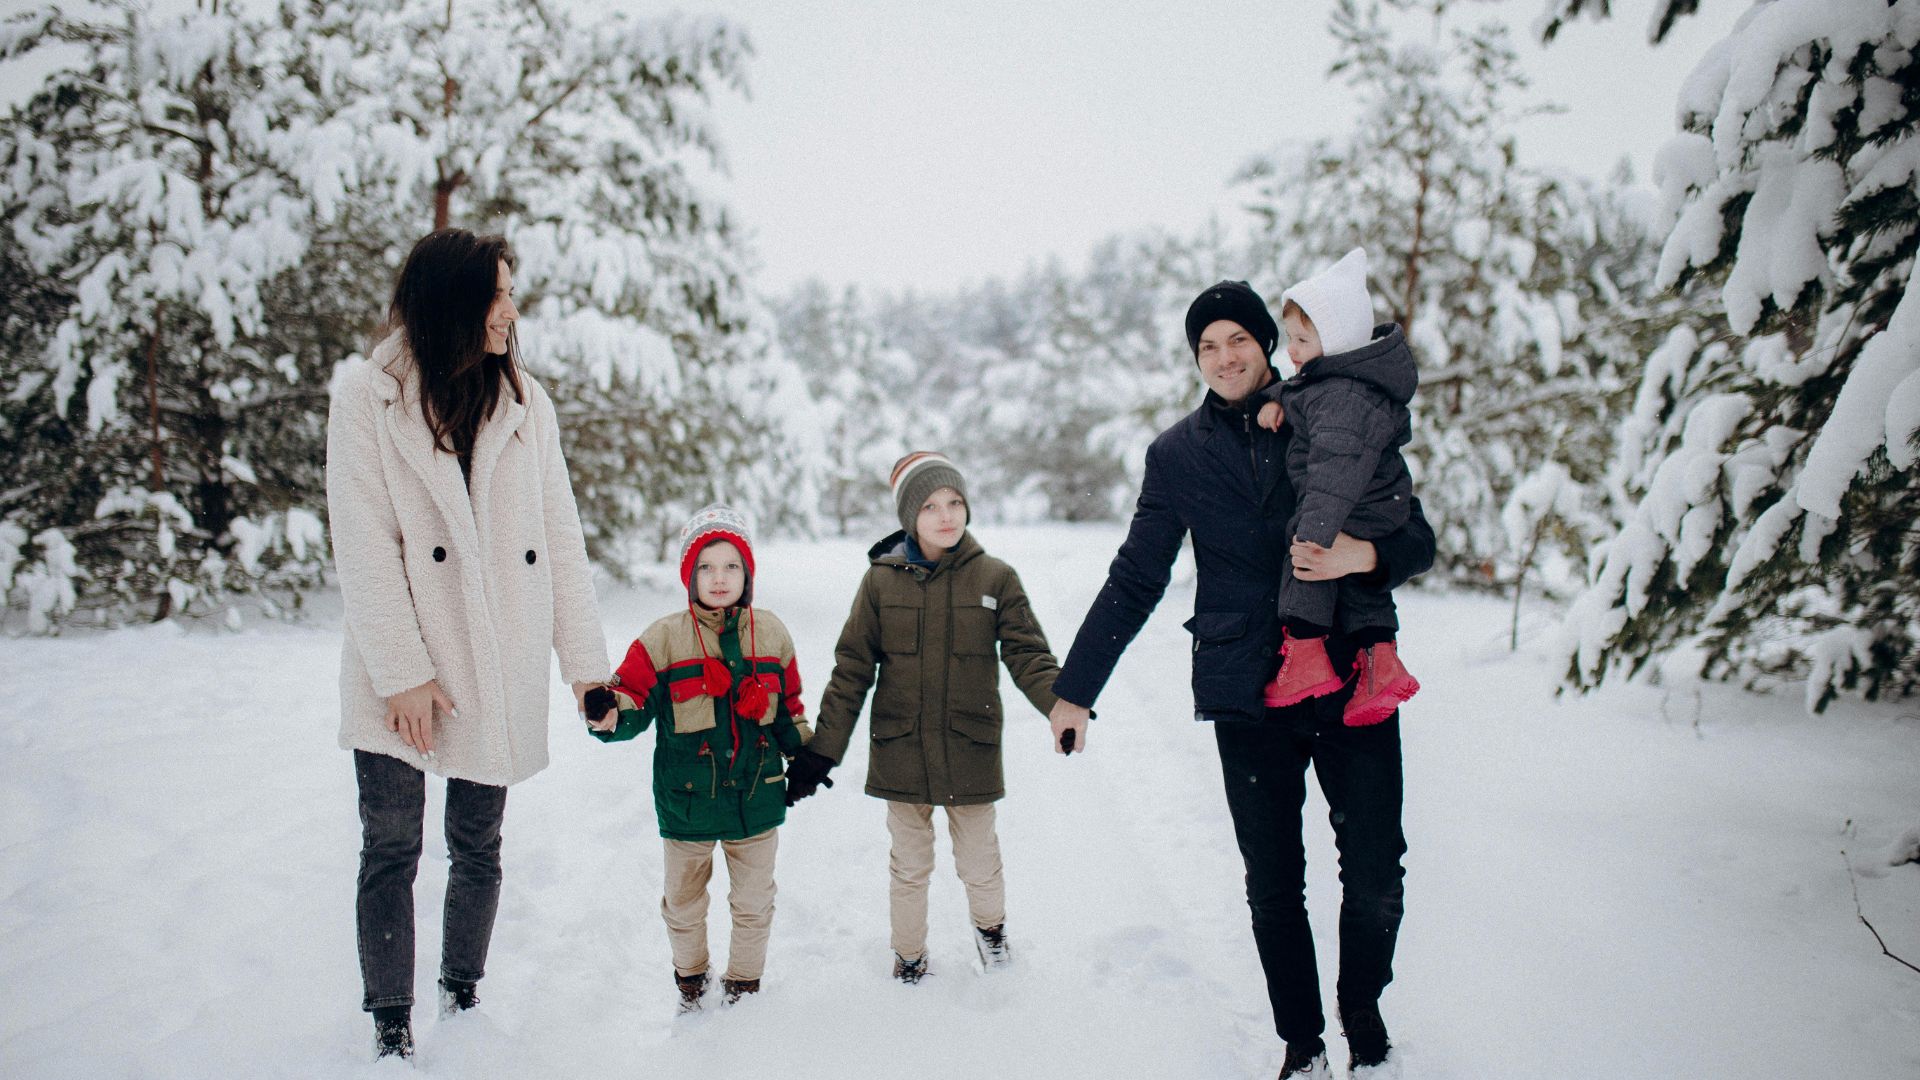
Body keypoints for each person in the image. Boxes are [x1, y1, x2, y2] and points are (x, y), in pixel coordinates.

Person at [1046, 280, 1435, 1078]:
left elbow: (1413, 534)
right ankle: (1303, 1041)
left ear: (1266, 343)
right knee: (1273, 883)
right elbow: (1136, 577)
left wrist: (1365, 556)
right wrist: (1076, 688)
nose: (1224, 358)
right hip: (1247, 693)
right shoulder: (1177, 456)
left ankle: (1361, 1010)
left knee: (1374, 871)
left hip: (1351, 677)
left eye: (1238, 340)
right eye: (1206, 347)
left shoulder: (1329, 412)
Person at [326, 228, 609, 1060]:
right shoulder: (367, 397)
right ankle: (390, 1024)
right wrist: (404, 675)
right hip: (400, 662)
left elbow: (561, 540)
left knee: (478, 844)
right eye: (499, 293)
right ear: (453, 302)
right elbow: (365, 545)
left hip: (498, 650)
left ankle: (462, 996)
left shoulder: (525, 400)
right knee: (391, 846)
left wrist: (588, 673)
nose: (511, 311)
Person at [787, 452, 1063, 982]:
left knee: (980, 859)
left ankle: (991, 934)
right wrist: (823, 749)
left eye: (955, 502)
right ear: (910, 516)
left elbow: (1028, 654)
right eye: (932, 505)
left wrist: (1060, 702)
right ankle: (909, 955)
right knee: (909, 866)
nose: (946, 516)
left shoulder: (996, 578)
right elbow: (851, 670)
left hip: (970, 742)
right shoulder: (880, 583)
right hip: (901, 746)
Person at [583, 505, 810, 1012]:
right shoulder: (662, 639)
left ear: (747, 573)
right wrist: (606, 712)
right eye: (706, 567)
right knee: (683, 905)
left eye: (731, 566)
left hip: (757, 796)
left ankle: (744, 988)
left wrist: (807, 754)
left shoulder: (770, 634)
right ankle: (691, 980)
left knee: (754, 903)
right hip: (687, 804)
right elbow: (631, 700)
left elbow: (789, 709)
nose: (719, 578)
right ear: (689, 575)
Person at [1250, 248, 1422, 723]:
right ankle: (1379, 660)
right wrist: (1276, 397)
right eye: (1291, 337)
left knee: (1306, 557)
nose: (1292, 351)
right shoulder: (1335, 384)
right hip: (1378, 503)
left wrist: (1314, 535)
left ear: (1340, 340)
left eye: (1303, 339)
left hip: (1351, 501)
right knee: (1354, 583)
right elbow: (1304, 391)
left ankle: (1305, 652)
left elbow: (1333, 469)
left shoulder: (1344, 399)